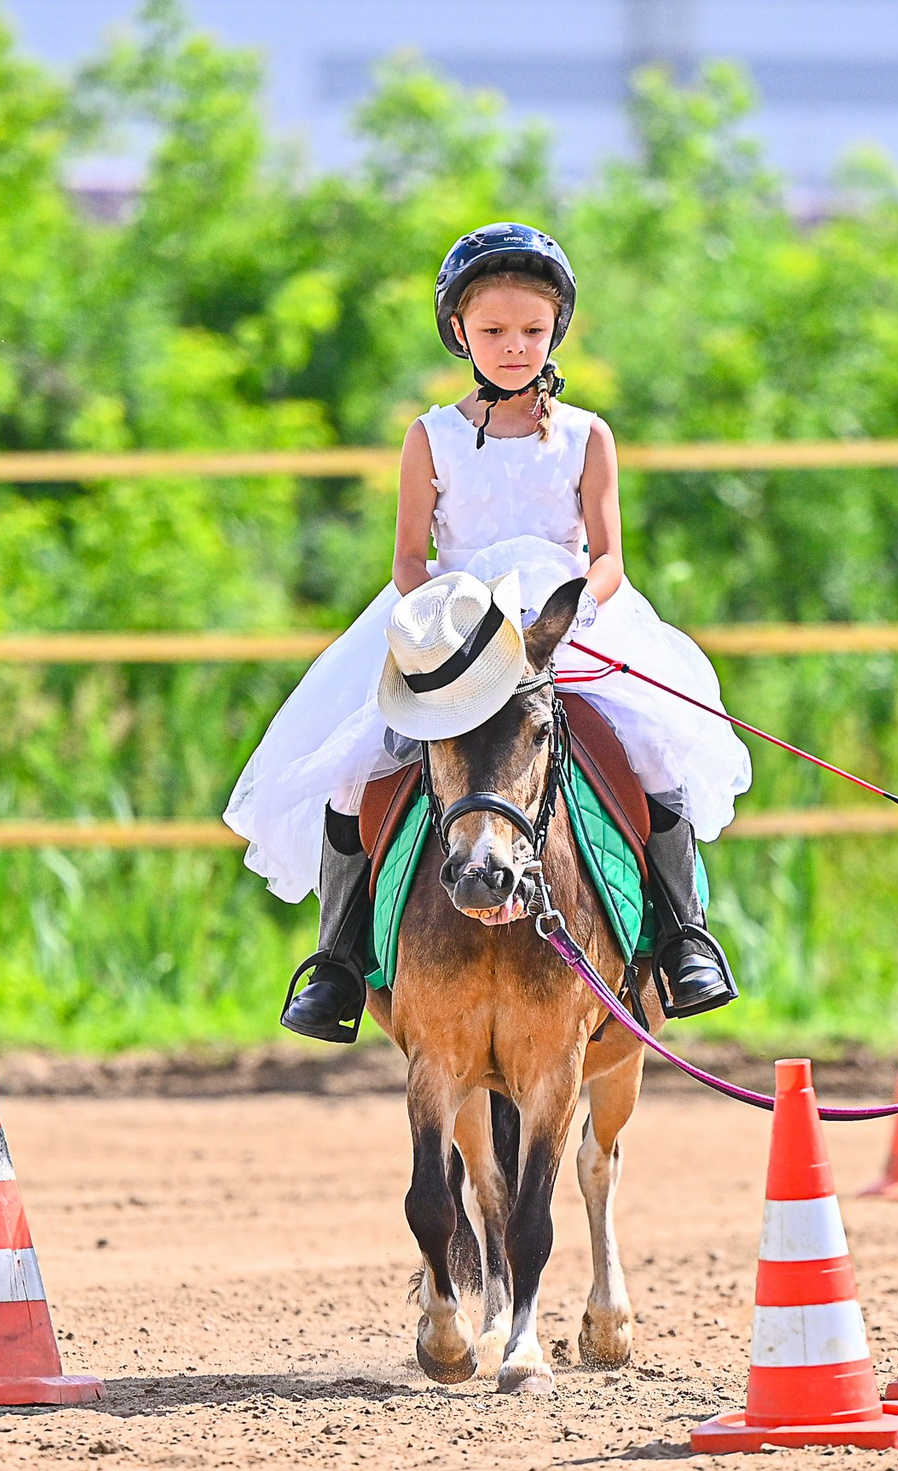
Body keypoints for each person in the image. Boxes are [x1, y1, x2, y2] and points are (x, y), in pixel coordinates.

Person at [225, 222, 752, 1043]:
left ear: (555, 334)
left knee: (653, 752)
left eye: (532, 331)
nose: (515, 347)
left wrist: (571, 618)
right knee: (353, 773)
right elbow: (409, 560)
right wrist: (458, 633)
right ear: (461, 333)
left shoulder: (588, 435)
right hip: (455, 631)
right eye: (495, 331)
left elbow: (607, 555)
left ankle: (684, 940)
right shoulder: (429, 436)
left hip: (565, 627)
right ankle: (335, 964)